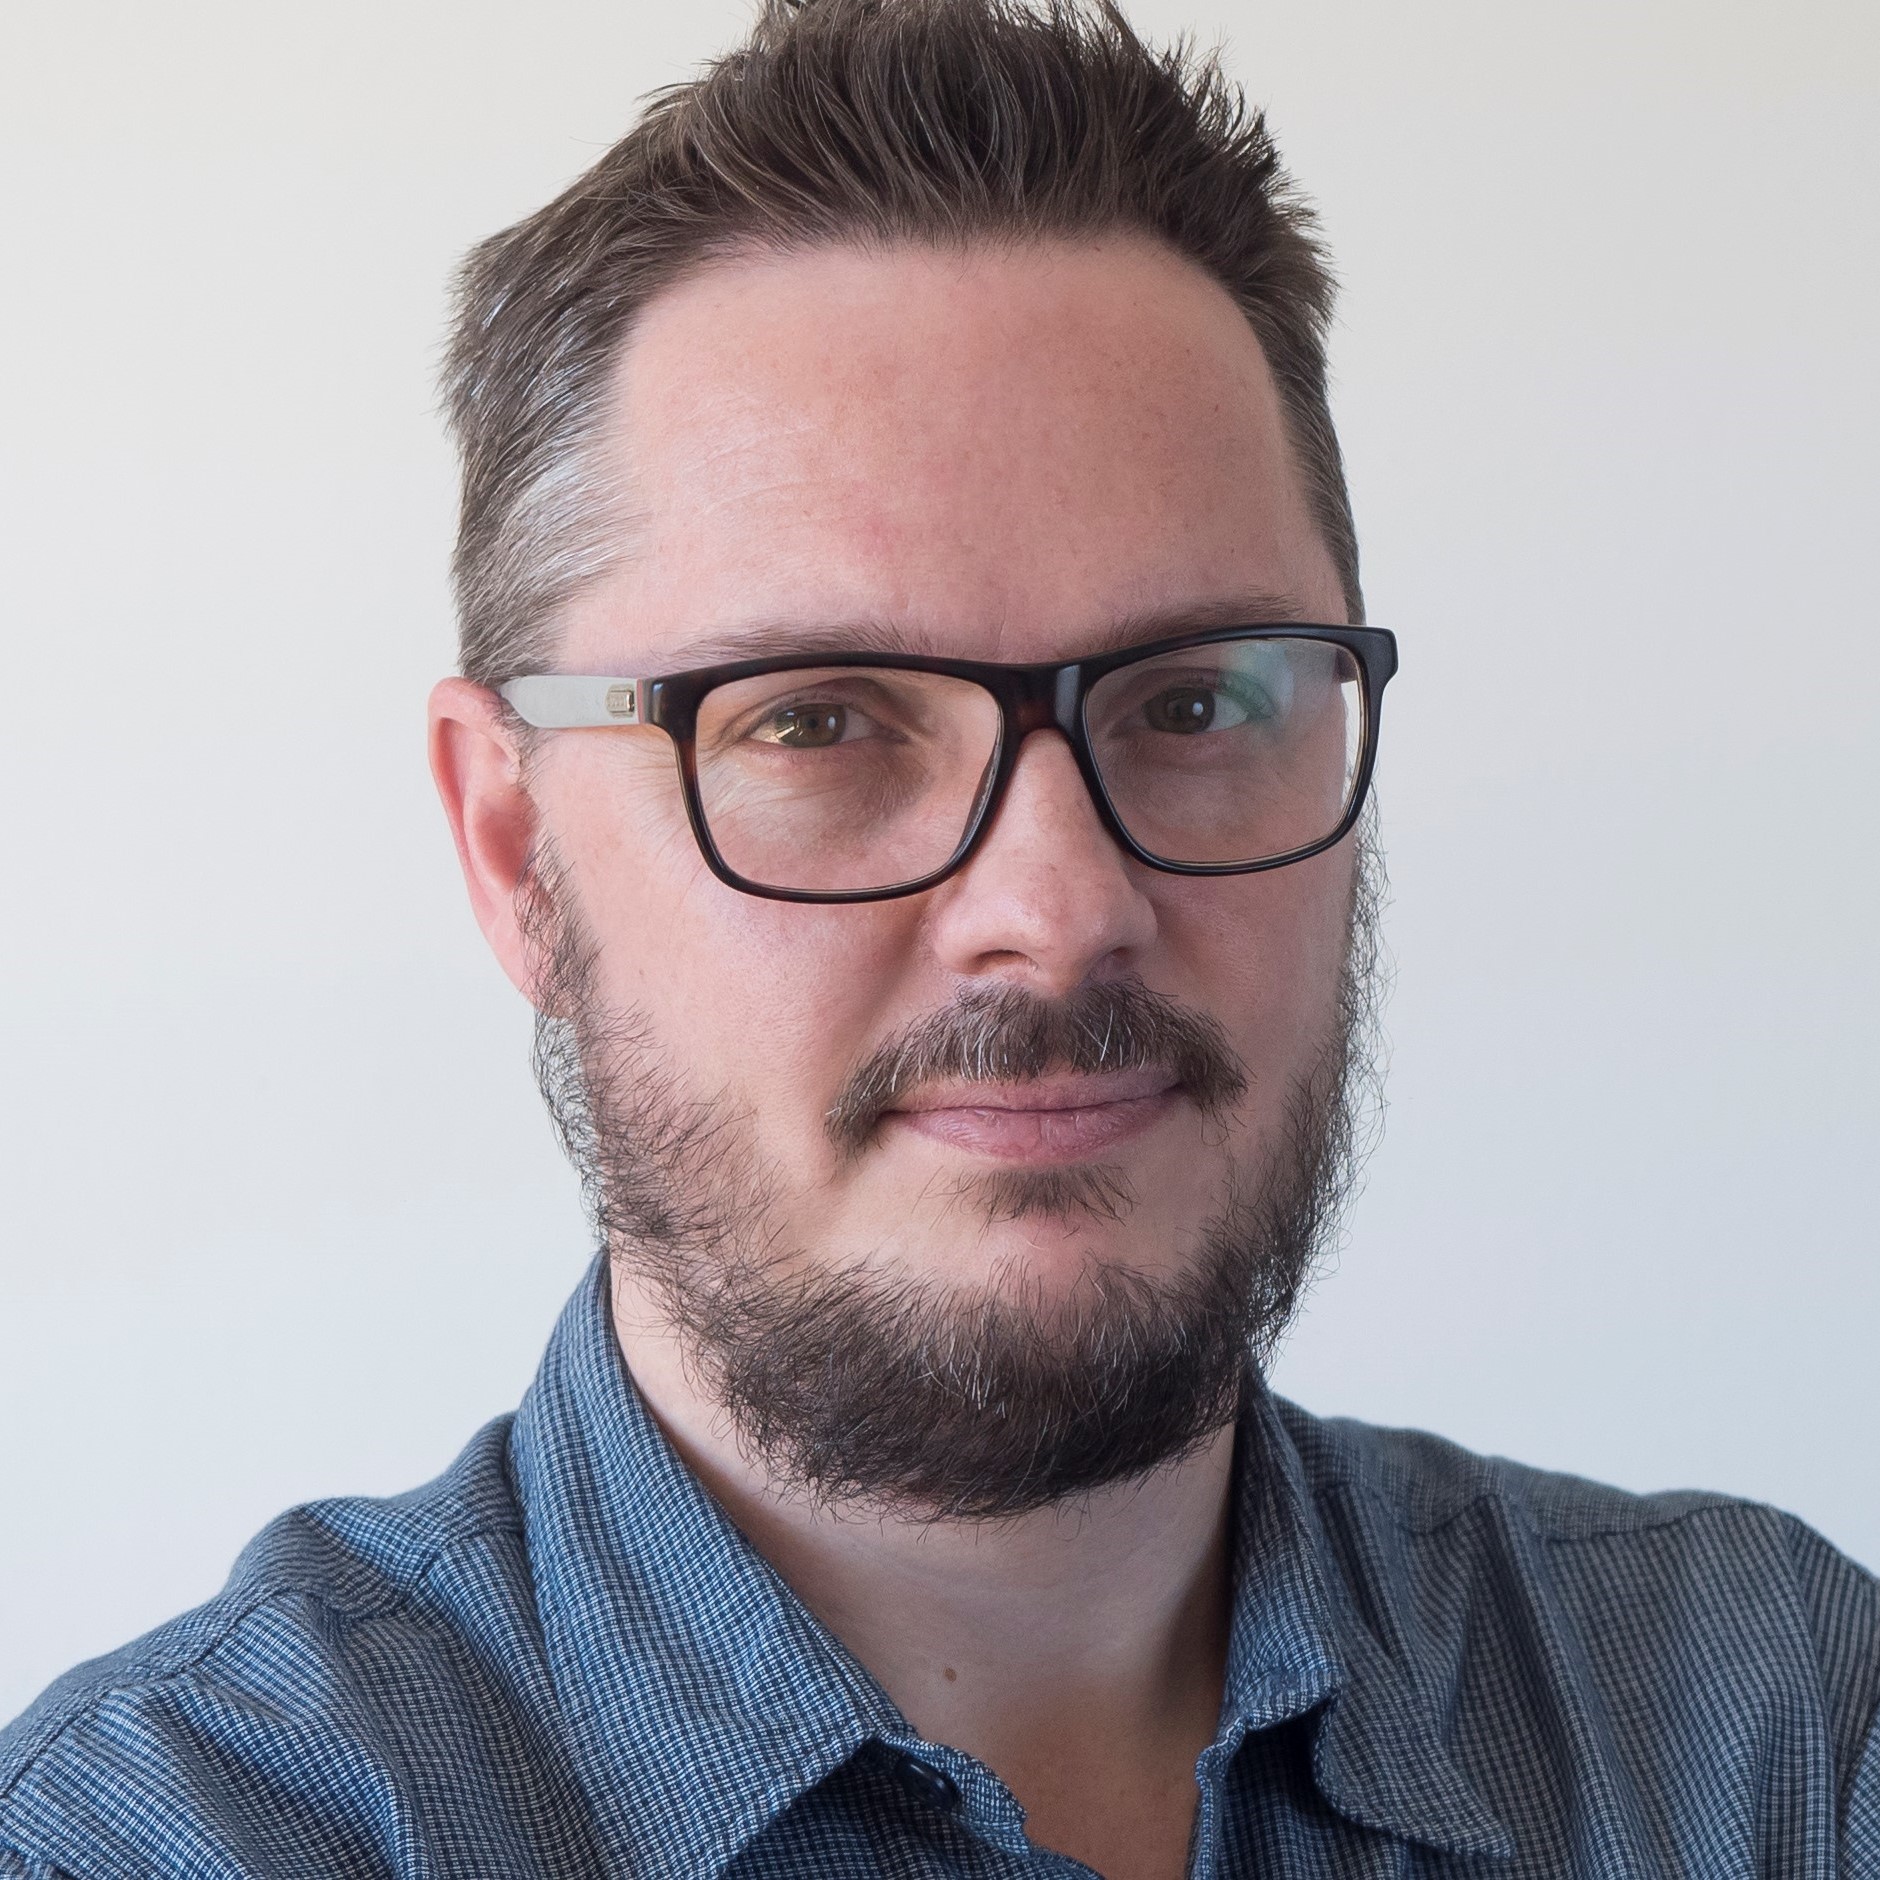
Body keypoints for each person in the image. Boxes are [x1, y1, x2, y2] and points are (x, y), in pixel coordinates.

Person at [3, 0, 1874, 1874]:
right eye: (817, 722)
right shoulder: (162, 1841)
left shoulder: (1775, 1732)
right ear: (516, 850)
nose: (1058, 914)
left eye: (1196, 702)